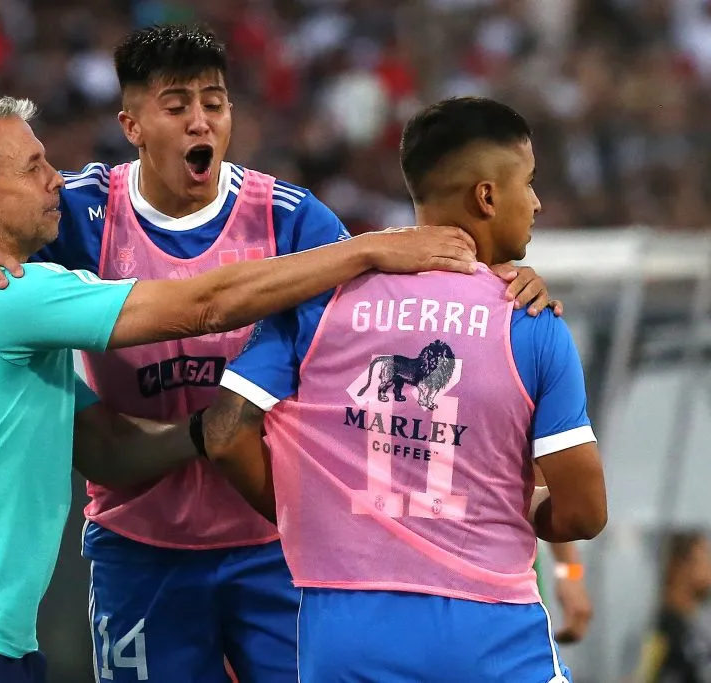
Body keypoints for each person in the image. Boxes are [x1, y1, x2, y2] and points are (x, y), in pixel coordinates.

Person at [0, 25, 559, 683]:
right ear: (132, 125)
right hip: (140, 547)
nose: (200, 121)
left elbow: (399, 325)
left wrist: (502, 287)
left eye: (214, 102)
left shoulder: (290, 219)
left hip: (273, 544)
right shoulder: (78, 212)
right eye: (177, 106)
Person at [197, 96, 608, 683]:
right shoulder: (529, 321)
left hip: (343, 633)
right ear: (487, 197)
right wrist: (554, 548)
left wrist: (307, 513)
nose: (538, 201)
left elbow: (223, 434)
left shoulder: (319, 301)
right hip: (488, 635)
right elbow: (584, 510)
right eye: (530, 182)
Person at [637, 530, 711, 683]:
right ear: (679, 564)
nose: (709, 568)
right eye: (705, 556)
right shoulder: (662, 633)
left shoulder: (692, 627)